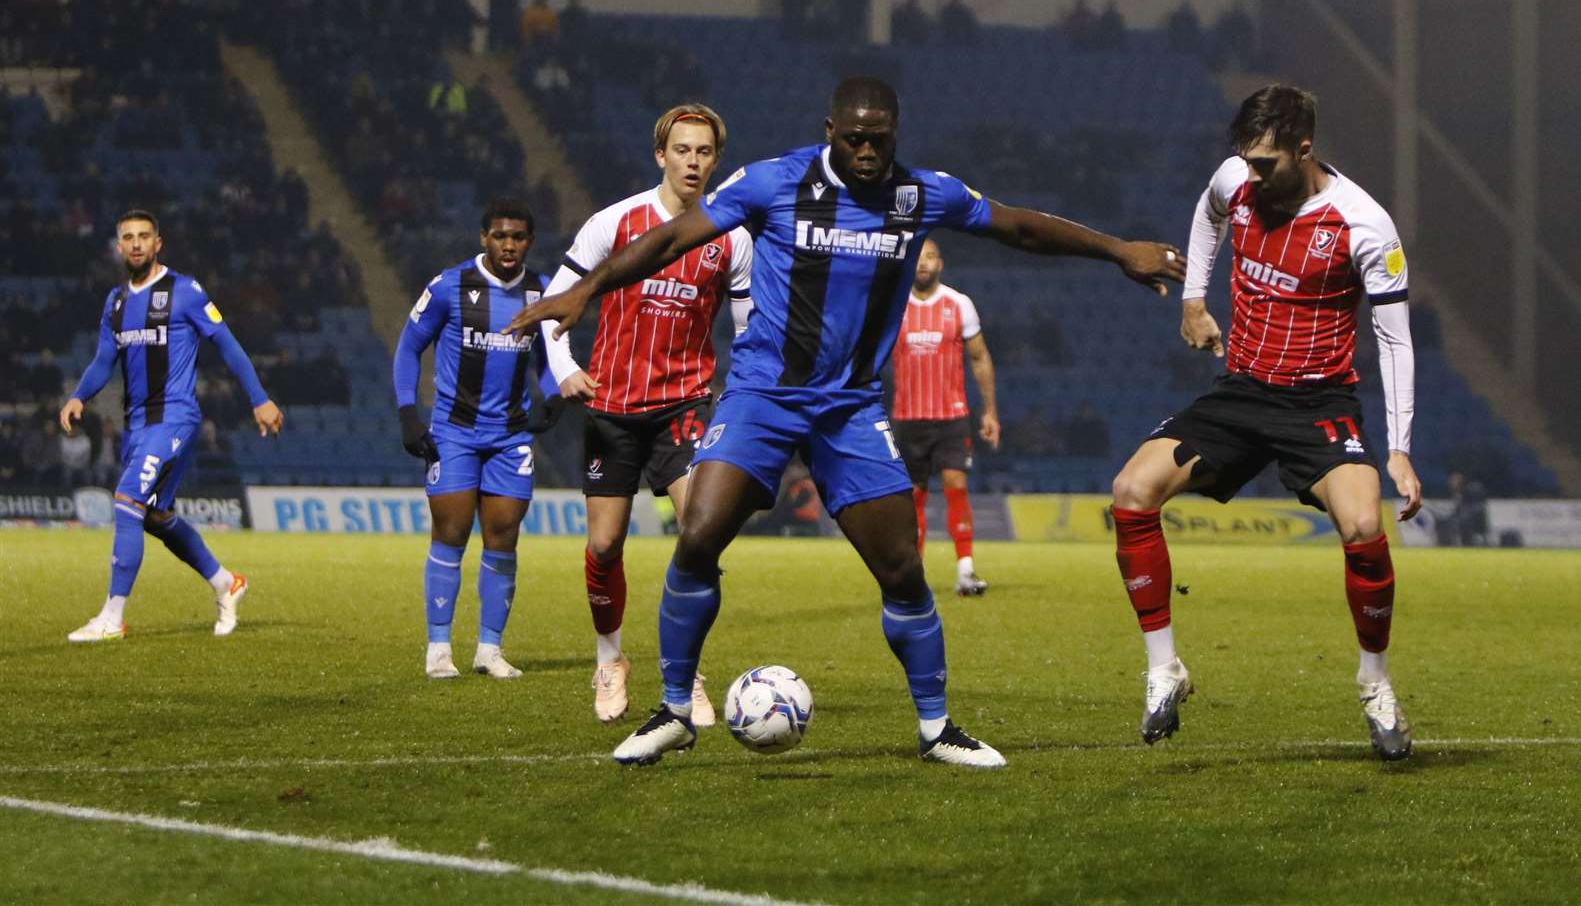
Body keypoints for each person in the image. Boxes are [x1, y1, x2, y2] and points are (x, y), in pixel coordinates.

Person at [504, 76, 1185, 768]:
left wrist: (1116, 249)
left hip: (850, 408)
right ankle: (675, 710)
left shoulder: (920, 195)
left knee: (901, 569)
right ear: (830, 130)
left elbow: (1015, 224)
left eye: (878, 138)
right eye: (853, 137)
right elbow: (672, 237)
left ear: (895, 133)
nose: (866, 149)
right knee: (700, 536)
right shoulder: (772, 182)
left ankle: (936, 727)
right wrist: (588, 289)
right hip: (762, 397)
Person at [1109, 84, 1422, 760]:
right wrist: (1194, 298)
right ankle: (1165, 669)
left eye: (1264, 164)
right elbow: (1207, 211)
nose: (1249, 176)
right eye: (1246, 162)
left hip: (1321, 403)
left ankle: (1375, 683)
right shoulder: (1237, 179)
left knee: (1365, 526)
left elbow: (1395, 337)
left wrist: (1398, 449)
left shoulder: (1362, 223)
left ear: (1304, 149)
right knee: (1131, 492)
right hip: (1244, 391)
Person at [541, 103, 752, 726]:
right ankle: (610, 660)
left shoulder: (732, 236)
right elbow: (559, 302)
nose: (693, 161)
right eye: (682, 150)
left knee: (698, 534)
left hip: (685, 405)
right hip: (611, 406)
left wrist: (741, 398)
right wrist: (563, 370)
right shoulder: (614, 222)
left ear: (716, 160)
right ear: (661, 155)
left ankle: (685, 675)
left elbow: (750, 328)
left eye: (704, 152)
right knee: (604, 544)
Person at [60, 210, 284, 641]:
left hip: (175, 419)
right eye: (128, 237)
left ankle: (111, 618)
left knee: (127, 501)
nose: (137, 243)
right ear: (119, 246)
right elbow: (105, 359)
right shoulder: (116, 302)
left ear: (158, 243)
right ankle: (226, 583)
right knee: (155, 516)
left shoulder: (185, 292)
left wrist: (260, 399)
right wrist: (78, 396)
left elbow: (228, 345)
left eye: (145, 236)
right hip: (138, 425)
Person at [393, 200, 563, 681]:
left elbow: (550, 357)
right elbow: (408, 346)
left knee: (503, 536)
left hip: (511, 436)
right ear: (483, 238)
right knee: (450, 531)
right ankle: (439, 648)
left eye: (519, 237)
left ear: (530, 241)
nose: (509, 245)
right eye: (500, 235)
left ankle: (489, 649)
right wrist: (408, 413)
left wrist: (552, 396)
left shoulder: (542, 291)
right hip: (454, 432)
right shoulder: (450, 286)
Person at [889, 239, 998, 595]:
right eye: (918, 258)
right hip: (907, 417)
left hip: (951, 416)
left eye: (931, 257)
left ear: (942, 263)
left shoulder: (959, 304)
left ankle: (965, 572)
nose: (924, 263)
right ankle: (913, 575)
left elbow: (980, 357)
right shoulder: (894, 305)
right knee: (912, 497)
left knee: (956, 485)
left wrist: (990, 411)